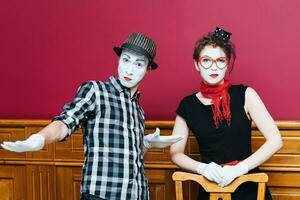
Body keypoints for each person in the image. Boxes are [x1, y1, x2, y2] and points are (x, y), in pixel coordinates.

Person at [1, 32, 183, 200]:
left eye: (139, 64)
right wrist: (40, 138)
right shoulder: (96, 91)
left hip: (138, 194)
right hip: (100, 195)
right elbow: (65, 122)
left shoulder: (138, 110)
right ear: (119, 59)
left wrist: (146, 144)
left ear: (148, 69)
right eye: (126, 60)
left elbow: (130, 158)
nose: (129, 70)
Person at [170, 27, 283, 200]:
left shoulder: (245, 94)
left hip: (249, 187)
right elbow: (175, 153)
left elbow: (276, 140)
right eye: (206, 60)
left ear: (228, 63)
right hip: (210, 186)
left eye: (220, 60)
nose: (213, 67)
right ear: (196, 64)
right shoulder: (188, 105)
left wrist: (240, 168)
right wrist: (203, 168)